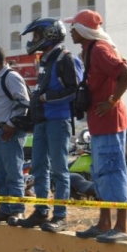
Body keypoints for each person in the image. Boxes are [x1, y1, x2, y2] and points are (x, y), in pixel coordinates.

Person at [64, 10, 127, 242]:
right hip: (99, 123)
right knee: (102, 173)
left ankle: (121, 227)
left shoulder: (100, 50)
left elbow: (125, 72)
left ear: (84, 30)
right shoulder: (88, 50)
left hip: (109, 122)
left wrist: (112, 100)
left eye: (74, 27)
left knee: (113, 172)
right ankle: (104, 223)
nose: (71, 31)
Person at [16, 17, 80, 232]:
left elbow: (73, 90)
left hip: (58, 120)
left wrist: (45, 98)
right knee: (39, 168)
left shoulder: (65, 58)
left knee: (60, 170)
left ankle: (60, 215)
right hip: (41, 122)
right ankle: (41, 211)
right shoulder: (44, 59)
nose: (34, 40)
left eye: (36, 35)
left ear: (49, 34)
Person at [0, 44, 31, 225]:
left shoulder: (11, 77)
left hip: (10, 132)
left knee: (13, 173)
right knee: (0, 173)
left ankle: (18, 210)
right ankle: (4, 209)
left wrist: (10, 125)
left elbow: (24, 102)